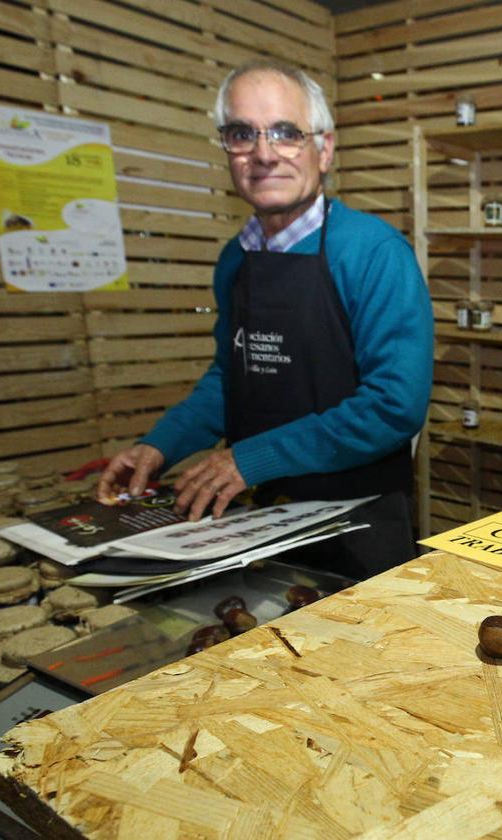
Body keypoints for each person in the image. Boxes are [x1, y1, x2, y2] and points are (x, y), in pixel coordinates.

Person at [96, 59, 434, 579]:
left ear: (323, 149)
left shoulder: (373, 252)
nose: (263, 153)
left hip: (357, 520)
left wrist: (246, 460)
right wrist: (160, 445)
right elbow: (232, 378)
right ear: (226, 150)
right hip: (256, 516)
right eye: (241, 133)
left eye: (285, 133)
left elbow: (393, 406)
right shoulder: (235, 259)